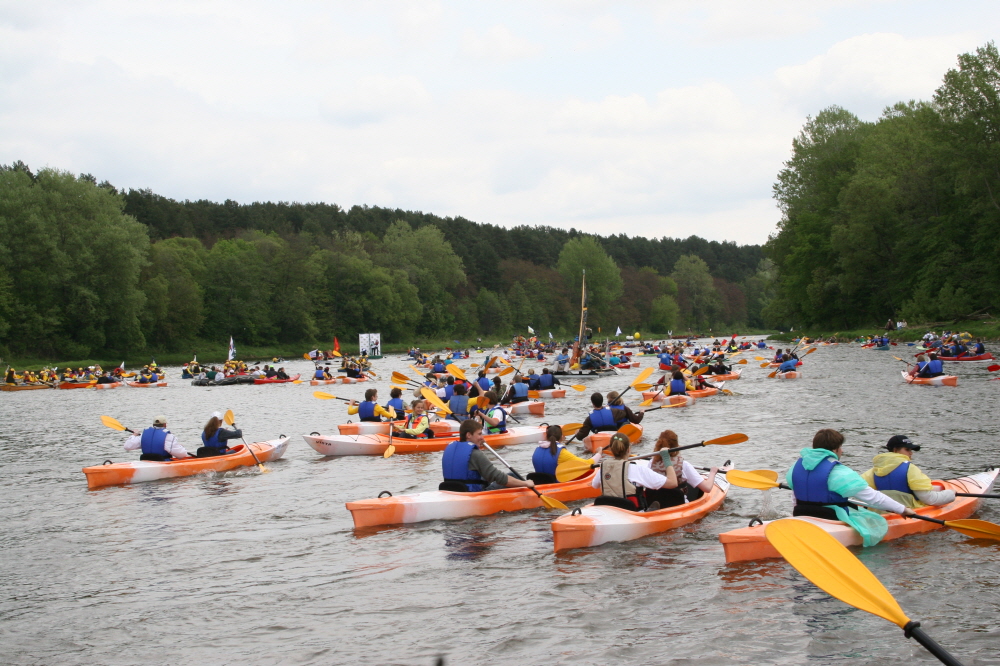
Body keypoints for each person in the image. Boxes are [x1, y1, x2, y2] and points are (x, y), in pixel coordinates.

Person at [786, 429, 916, 546]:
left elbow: (795, 496)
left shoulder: (795, 467)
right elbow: (873, 497)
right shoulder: (838, 471)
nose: (842, 451)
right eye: (840, 447)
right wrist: (902, 509)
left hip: (801, 514)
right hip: (831, 518)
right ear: (835, 450)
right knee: (874, 520)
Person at [440, 420, 537, 492]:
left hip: (451, 491)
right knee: (513, 476)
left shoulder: (449, 449)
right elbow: (499, 477)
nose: (482, 437)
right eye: (479, 434)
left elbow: (472, 469)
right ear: (469, 435)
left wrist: (478, 445)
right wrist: (525, 483)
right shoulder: (475, 454)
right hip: (473, 495)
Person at [861, 435, 956, 508]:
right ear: (895, 450)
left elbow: (860, 495)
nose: (911, 453)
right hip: (907, 513)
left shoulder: (872, 471)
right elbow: (930, 499)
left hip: (880, 513)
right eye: (907, 449)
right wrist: (951, 494)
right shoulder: (910, 469)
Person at [591, 433, 677, 511]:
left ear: (611, 450)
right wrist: (666, 458)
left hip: (609, 510)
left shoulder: (603, 467)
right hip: (632, 513)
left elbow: (595, 485)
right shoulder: (637, 469)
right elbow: (672, 483)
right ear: (628, 449)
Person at [642, 430, 723, 507]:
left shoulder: (651, 463)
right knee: (690, 485)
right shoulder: (683, 465)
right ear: (677, 446)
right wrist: (712, 473)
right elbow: (707, 488)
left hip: (655, 504)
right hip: (678, 505)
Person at [530, 425, 601, 484]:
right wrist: (599, 453)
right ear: (562, 437)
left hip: (538, 484)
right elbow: (587, 464)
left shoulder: (537, 449)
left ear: (546, 436)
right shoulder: (561, 452)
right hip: (554, 485)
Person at [124, 415, 193, 461]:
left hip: (146, 462)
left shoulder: (143, 435)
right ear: (165, 424)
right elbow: (181, 455)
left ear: (153, 424)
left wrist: (134, 435)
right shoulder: (168, 436)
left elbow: (127, 446)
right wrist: (180, 447)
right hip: (162, 463)